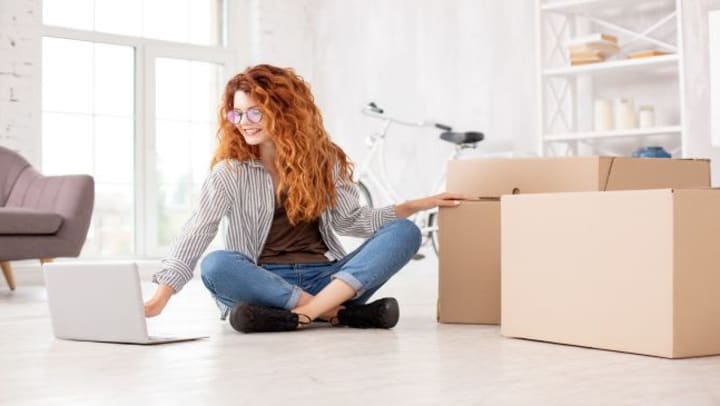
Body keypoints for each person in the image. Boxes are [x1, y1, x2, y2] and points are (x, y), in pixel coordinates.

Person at [143, 64, 467, 333]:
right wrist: (160, 298)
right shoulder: (230, 172)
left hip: (330, 278)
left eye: (254, 113)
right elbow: (197, 231)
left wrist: (417, 205)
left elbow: (352, 222)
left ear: (283, 111)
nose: (243, 123)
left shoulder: (325, 162)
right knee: (217, 264)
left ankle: (301, 315)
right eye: (237, 114)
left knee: (405, 232)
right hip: (264, 281)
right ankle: (336, 313)